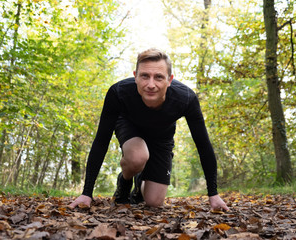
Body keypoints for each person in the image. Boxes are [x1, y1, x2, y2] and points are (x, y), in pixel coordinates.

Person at [69, 48, 229, 211]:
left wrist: (213, 194)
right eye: (145, 76)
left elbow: (203, 145)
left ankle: (140, 182)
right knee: (138, 156)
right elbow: (101, 141)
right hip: (129, 127)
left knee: (154, 202)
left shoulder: (186, 99)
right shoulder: (118, 93)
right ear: (135, 76)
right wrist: (87, 193)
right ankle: (125, 180)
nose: (151, 84)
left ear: (169, 79)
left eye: (159, 77)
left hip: (162, 136)